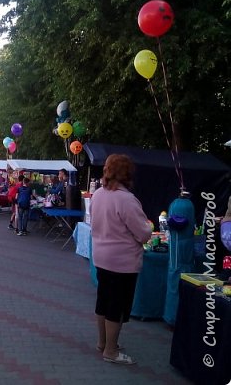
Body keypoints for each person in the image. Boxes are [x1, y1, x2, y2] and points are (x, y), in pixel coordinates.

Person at [90, 154, 152, 365]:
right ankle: (111, 350)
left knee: (103, 301)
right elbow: (143, 234)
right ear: (126, 173)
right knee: (117, 305)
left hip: (101, 257)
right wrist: (149, 227)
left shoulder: (98, 194)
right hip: (122, 262)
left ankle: (102, 342)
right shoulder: (126, 199)